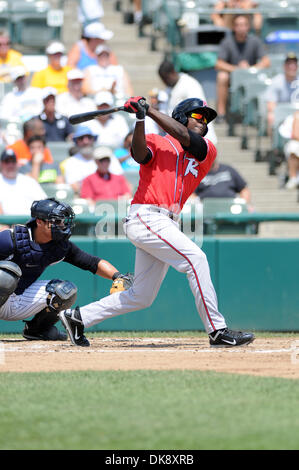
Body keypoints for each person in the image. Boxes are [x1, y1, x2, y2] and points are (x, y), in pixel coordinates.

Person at [59, 95, 255, 348]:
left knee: (142, 296)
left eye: (207, 118)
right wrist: (141, 118)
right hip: (147, 215)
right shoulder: (157, 141)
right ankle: (217, 330)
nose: (204, 121)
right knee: (196, 259)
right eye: (198, 115)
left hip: (166, 221)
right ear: (182, 117)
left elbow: (187, 139)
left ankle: (78, 318)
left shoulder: (206, 149)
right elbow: (139, 153)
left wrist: (148, 110)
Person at [0, 197, 131, 346]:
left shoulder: (60, 246)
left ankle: (38, 330)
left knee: (64, 291)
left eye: (62, 221)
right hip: (2, 292)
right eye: (55, 221)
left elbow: (92, 262)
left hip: (18, 299)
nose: (61, 225)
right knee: (5, 275)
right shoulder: (10, 239)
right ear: (39, 222)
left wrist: (118, 276)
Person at [215, 14, 270, 121]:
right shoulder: (227, 42)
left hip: (251, 76)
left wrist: (250, 69)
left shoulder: (255, 41)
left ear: (248, 27)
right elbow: (219, 64)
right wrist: (237, 69)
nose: (241, 28)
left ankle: (262, 116)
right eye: (238, 25)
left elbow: (266, 62)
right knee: (222, 76)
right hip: (233, 77)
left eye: (244, 25)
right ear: (234, 27)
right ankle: (221, 113)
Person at [158, 60, 218, 145]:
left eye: (166, 78)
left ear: (173, 72)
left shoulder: (189, 84)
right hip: (183, 140)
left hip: (202, 139)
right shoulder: (169, 88)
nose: (164, 82)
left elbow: (201, 111)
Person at [0, 149, 47, 215]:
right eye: (7, 162)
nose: (10, 165)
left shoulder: (29, 181)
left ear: (17, 163)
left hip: (30, 223)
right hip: (5, 223)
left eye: (13, 161)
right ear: (1, 164)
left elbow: (44, 204)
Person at [265, 53, 299, 137]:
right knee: (271, 116)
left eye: (294, 64)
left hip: (297, 115)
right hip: (282, 116)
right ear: (284, 66)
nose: (291, 67)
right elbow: (271, 105)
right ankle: (275, 146)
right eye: (289, 64)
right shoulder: (277, 81)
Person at [279, 110, 299, 189]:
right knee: (293, 147)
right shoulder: (294, 117)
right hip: (295, 143)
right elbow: (296, 134)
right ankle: (293, 178)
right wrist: (297, 118)